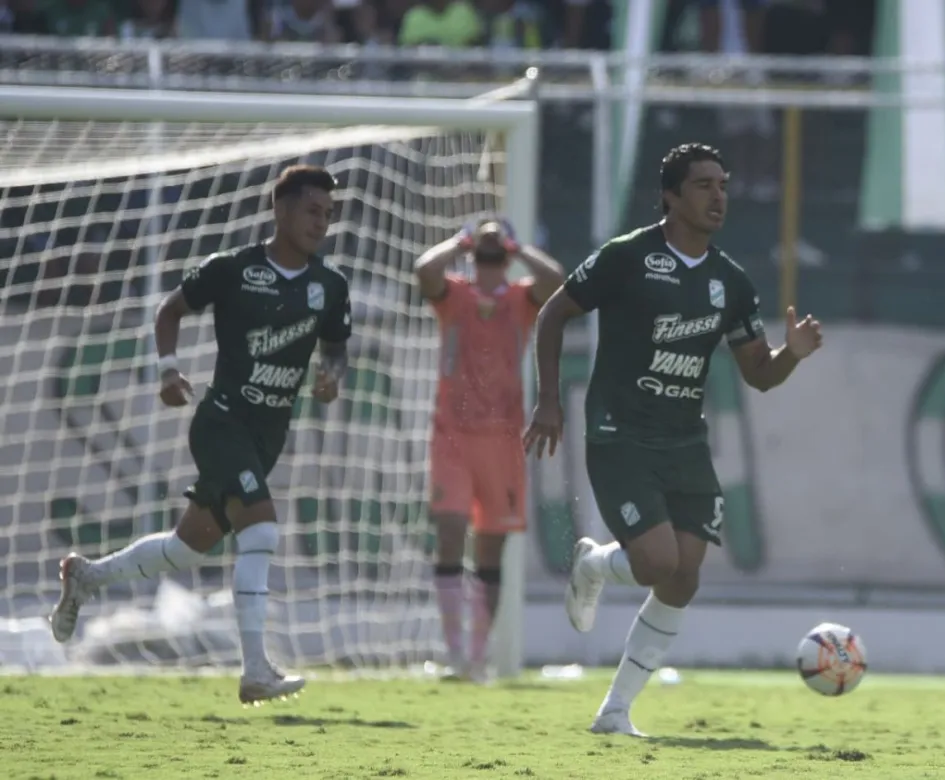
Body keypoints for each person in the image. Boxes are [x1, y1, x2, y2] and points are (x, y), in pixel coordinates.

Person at [523, 142, 823, 735]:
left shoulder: (729, 282)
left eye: (724, 185)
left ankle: (615, 711)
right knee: (659, 562)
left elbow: (758, 375)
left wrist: (793, 352)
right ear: (670, 196)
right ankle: (596, 564)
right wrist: (551, 398)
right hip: (620, 432)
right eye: (704, 185)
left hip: (685, 441)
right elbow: (552, 314)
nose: (719, 196)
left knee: (684, 576)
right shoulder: (628, 257)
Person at [49, 165, 352, 705]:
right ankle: (255, 669)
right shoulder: (232, 268)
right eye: (312, 211)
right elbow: (171, 309)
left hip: (267, 435)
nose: (321, 223)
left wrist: (332, 376)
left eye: (328, 214)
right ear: (280, 211)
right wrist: (168, 369)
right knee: (261, 529)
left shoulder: (330, 286)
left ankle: (87, 576)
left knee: (189, 549)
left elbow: (335, 349)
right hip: (221, 421)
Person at [415, 217, 563, 682]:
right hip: (453, 434)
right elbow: (424, 271)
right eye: (485, 255)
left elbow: (556, 280)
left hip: (503, 440)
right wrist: (462, 241)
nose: (490, 262)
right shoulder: (455, 295)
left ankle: (477, 656)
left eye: (496, 256)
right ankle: (454, 650)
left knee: (491, 551)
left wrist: (517, 247)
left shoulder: (521, 300)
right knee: (452, 528)